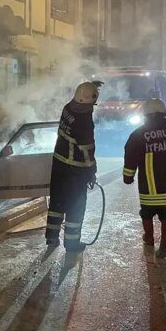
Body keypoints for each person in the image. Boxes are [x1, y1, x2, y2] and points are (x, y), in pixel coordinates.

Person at [123, 99, 166, 259]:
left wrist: (128, 175)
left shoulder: (137, 135)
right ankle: (164, 245)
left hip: (150, 188)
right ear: (163, 113)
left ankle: (149, 238)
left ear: (145, 115)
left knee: (146, 213)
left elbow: (130, 156)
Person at [46, 81, 100, 252]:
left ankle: (51, 238)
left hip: (58, 164)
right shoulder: (84, 120)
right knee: (75, 206)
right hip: (75, 170)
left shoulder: (67, 108)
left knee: (56, 202)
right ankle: (71, 244)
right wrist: (91, 171)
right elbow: (87, 151)